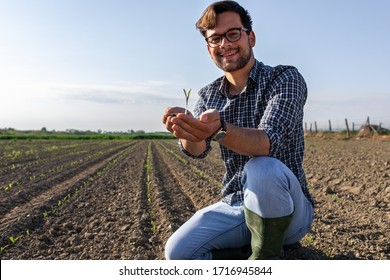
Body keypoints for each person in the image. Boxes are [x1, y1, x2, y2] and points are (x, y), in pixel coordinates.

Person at [162, 0, 314, 260]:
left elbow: (267, 143)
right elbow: (197, 151)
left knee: (262, 167)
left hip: (288, 210)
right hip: (237, 204)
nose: (225, 44)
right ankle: (246, 251)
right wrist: (190, 131)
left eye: (233, 34)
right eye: (215, 39)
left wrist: (219, 129)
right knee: (178, 254)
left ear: (250, 37)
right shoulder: (209, 94)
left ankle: (266, 259)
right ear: (208, 48)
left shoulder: (285, 79)